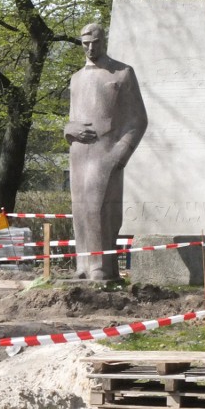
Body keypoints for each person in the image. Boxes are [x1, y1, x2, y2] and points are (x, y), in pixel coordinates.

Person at [65, 23, 148, 280]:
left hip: (106, 152)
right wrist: (69, 129)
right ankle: (83, 264)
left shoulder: (122, 74)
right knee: (80, 208)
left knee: (100, 208)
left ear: (104, 41)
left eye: (96, 42)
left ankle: (101, 266)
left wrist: (120, 154)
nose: (91, 48)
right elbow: (70, 119)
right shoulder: (76, 78)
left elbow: (138, 120)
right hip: (79, 153)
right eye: (85, 43)